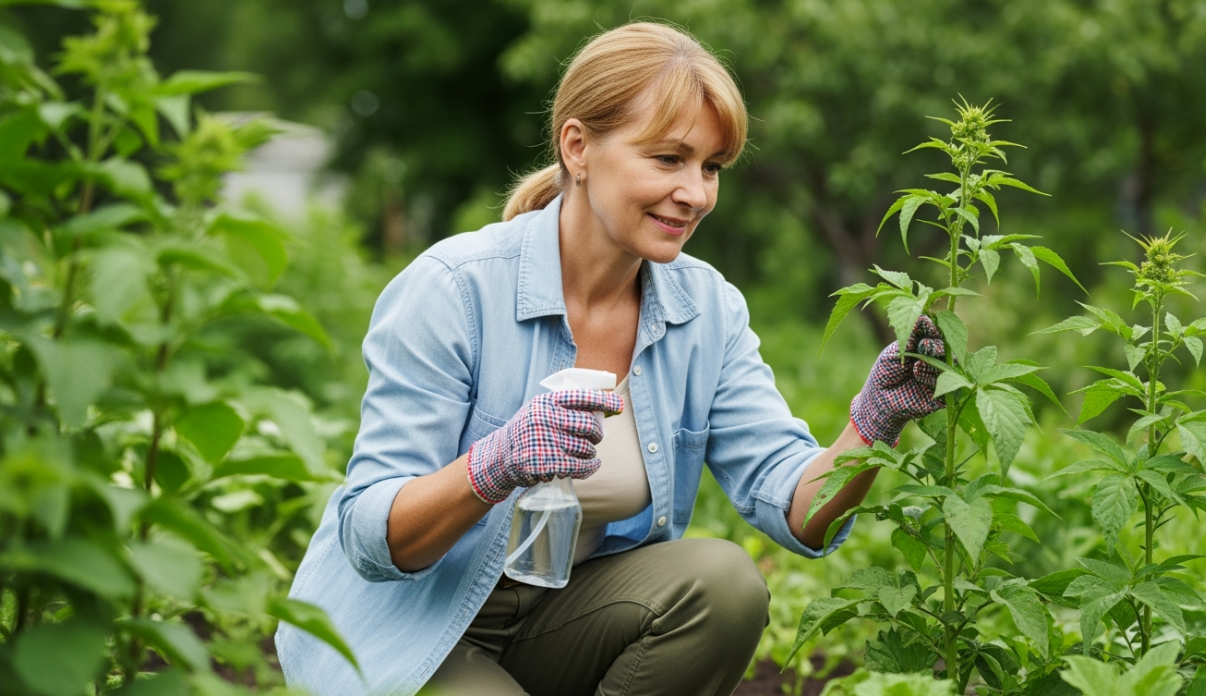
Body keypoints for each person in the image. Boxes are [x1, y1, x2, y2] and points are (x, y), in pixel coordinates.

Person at [276, 21, 945, 696]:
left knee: (725, 585)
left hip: (562, 618)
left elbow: (796, 509)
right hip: (406, 628)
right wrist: (494, 464)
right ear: (578, 148)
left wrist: (873, 424)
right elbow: (371, 535)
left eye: (710, 167)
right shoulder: (455, 288)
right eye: (668, 159)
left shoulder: (705, 309)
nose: (697, 193)